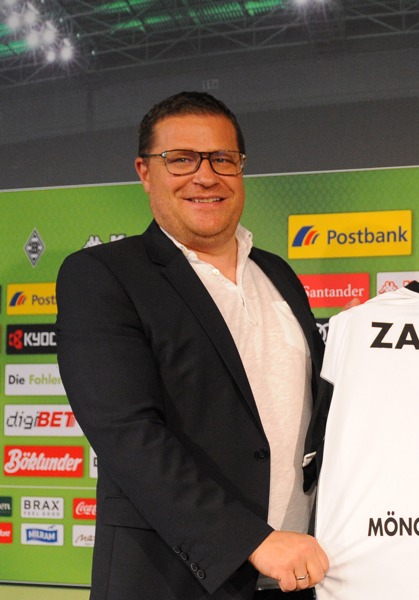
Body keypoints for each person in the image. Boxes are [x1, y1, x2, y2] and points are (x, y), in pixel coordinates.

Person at [56, 91, 331, 600]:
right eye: (180, 159)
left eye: (223, 159)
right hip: (171, 581)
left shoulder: (278, 274)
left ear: (241, 168)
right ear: (145, 171)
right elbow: (128, 437)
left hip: (294, 580)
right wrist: (253, 540)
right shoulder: (103, 276)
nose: (205, 176)